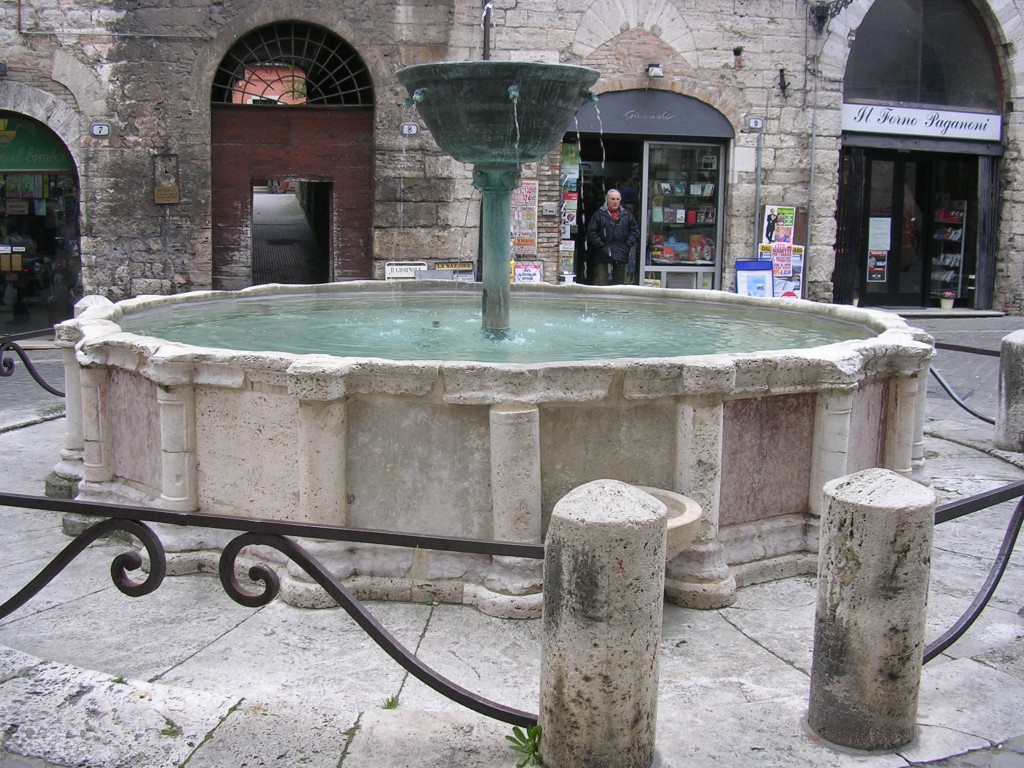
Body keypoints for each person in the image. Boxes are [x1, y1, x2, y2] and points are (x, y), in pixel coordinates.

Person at [586, 188, 639, 285]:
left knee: (619, 284)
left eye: (617, 199)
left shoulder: (627, 215)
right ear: (607, 200)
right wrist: (601, 245)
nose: (615, 202)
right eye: (613, 199)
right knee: (600, 282)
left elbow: (635, 230)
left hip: (621, 252)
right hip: (603, 252)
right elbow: (591, 232)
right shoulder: (599, 214)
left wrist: (628, 244)